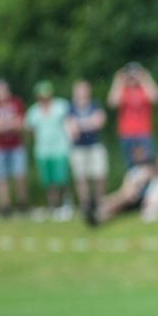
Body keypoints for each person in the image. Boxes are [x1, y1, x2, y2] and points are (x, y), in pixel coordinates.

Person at [24, 80, 72, 221]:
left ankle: (66, 205)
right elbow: (30, 130)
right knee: (48, 182)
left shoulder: (61, 106)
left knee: (62, 179)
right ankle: (54, 206)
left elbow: (69, 123)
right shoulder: (33, 111)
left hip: (60, 148)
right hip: (43, 151)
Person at [0, 79, 28, 217]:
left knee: (19, 175)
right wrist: (10, 123)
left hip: (16, 146)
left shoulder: (16, 103)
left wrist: (2, 125)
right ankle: (5, 207)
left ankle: (22, 204)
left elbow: (20, 125)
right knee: (1, 178)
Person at [107, 62, 158, 168]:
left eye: (135, 73)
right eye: (130, 74)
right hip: (127, 134)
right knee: (130, 165)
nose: (133, 77)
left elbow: (156, 98)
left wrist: (145, 78)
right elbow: (112, 102)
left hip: (144, 133)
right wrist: (118, 80)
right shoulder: (122, 90)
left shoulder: (144, 89)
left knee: (149, 164)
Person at [66, 80, 108, 215]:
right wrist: (89, 123)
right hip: (78, 147)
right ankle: (85, 204)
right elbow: (71, 129)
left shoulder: (95, 104)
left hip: (94, 144)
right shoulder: (71, 107)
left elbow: (99, 122)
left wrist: (80, 124)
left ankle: (98, 202)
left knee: (99, 174)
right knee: (81, 177)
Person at [86, 145, 154, 226]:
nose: (138, 156)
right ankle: (100, 214)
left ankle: (99, 207)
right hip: (127, 196)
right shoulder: (132, 171)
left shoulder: (148, 168)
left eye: (140, 153)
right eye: (136, 154)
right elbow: (124, 188)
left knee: (122, 199)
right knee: (119, 201)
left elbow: (143, 183)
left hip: (139, 198)